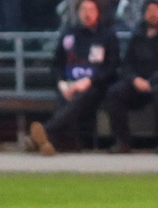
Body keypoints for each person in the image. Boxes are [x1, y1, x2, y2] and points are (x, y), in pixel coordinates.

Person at [27, 0, 120, 155]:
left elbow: (111, 68)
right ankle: (47, 143)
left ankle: (45, 133)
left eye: (91, 9)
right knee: (67, 98)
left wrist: (89, 81)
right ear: (77, 13)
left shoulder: (107, 36)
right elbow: (56, 64)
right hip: (68, 84)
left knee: (80, 98)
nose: (87, 13)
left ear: (98, 12)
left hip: (95, 85)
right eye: (83, 9)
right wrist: (61, 83)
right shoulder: (69, 34)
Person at [104, 0, 158, 154]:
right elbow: (126, 64)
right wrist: (134, 79)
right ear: (143, 15)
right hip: (140, 83)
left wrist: (154, 80)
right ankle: (122, 141)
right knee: (114, 93)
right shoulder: (138, 34)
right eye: (149, 11)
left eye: (156, 10)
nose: (152, 14)